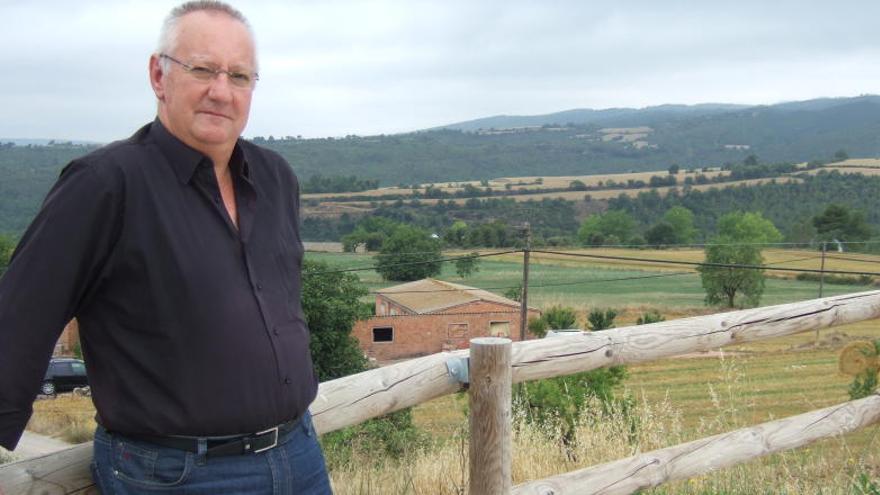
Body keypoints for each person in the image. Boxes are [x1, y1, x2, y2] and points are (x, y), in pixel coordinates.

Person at [0, 1, 333, 493]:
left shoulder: (275, 176)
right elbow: (20, 320)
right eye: (202, 69)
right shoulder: (104, 186)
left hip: (298, 453)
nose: (221, 91)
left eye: (239, 76)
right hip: (178, 474)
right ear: (159, 75)